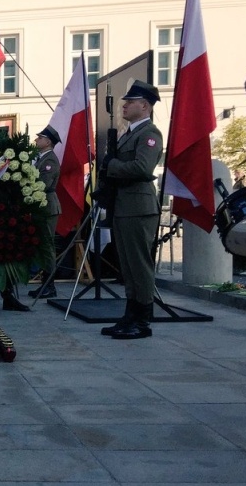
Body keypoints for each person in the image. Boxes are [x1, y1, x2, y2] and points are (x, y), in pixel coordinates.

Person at [99, 80, 164, 340]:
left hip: (138, 207)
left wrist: (111, 165)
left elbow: (142, 169)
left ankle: (143, 321)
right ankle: (130, 315)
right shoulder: (129, 133)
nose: (125, 105)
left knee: (139, 266)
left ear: (145, 106)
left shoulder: (149, 134)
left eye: (131, 101)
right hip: (124, 206)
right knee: (126, 266)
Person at [28, 125, 63, 299]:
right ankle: (45, 284)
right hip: (41, 206)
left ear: (48, 141)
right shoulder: (41, 158)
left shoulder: (49, 161)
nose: (36, 140)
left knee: (47, 247)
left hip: (47, 206)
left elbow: (44, 184)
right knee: (42, 246)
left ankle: (49, 285)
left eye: (39, 138)